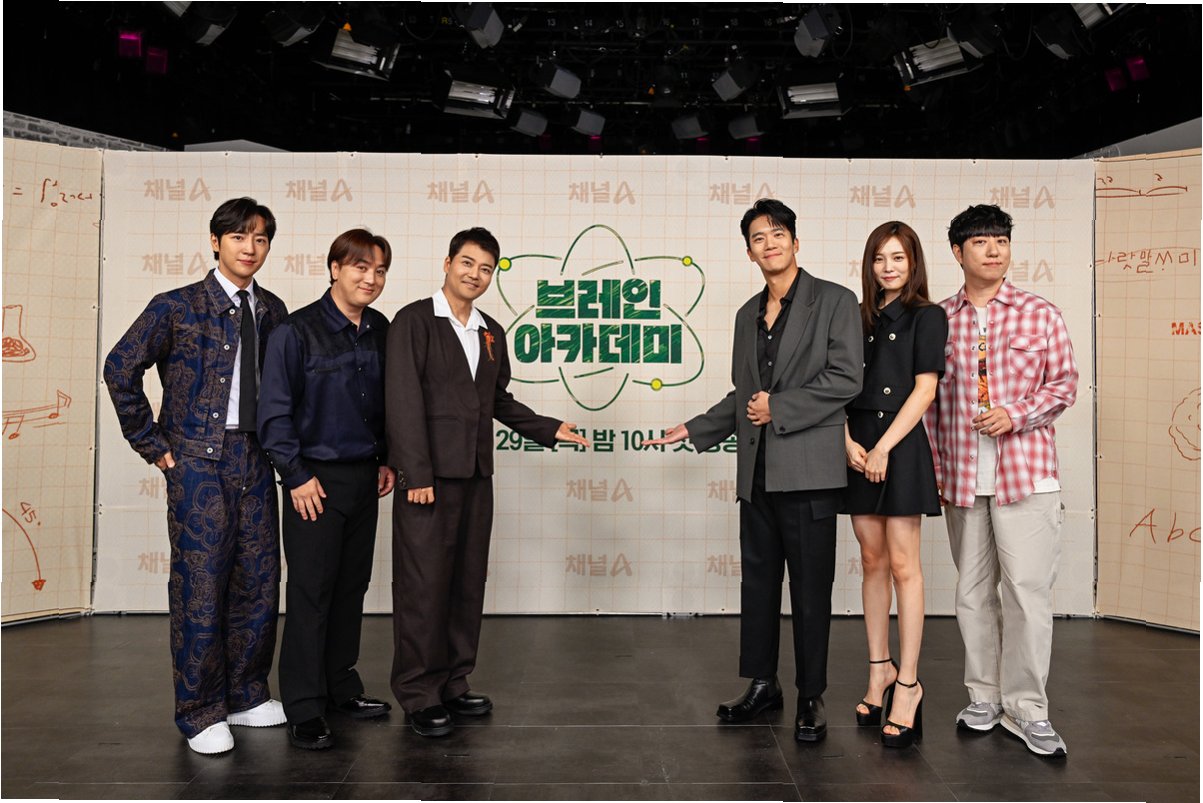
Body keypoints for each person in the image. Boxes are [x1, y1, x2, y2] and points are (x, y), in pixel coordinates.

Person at [646, 199, 862, 743]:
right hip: (757, 473)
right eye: (759, 238)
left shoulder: (835, 300)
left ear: (795, 241)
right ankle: (763, 684)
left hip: (810, 474)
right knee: (759, 585)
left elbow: (846, 379)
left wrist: (780, 407)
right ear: (749, 252)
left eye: (778, 233)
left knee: (811, 590)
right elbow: (745, 395)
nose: (770, 243)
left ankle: (811, 695)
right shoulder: (747, 314)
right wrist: (694, 428)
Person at [385, 227, 591, 737]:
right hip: (428, 480)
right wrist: (416, 473)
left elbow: (496, 399)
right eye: (467, 263)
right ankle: (418, 692)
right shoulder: (414, 320)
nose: (475, 275)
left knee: (466, 581)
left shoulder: (490, 330)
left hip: (477, 475)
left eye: (485, 269)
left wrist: (548, 428)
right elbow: (402, 400)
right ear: (447, 263)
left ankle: (454, 682)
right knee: (423, 586)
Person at [103, 197, 288, 755]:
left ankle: (246, 693)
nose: (250, 248)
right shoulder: (176, 306)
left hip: (256, 457)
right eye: (239, 237)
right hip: (197, 463)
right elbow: (120, 367)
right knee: (200, 586)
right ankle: (199, 710)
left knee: (259, 581)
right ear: (215, 242)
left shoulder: (272, 309)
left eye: (260, 239)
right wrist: (153, 444)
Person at [925, 204, 1078, 758]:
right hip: (963, 479)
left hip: (1027, 477)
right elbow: (927, 404)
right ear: (958, 252)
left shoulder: (1041, 314)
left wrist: (1015, 414)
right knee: (971, 595)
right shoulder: (937, 319)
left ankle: (1028, 709)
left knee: (1027, 596)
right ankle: (984, 698)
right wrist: (934, 471)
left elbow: (1064, 385)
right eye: (981, 241)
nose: (994, 250)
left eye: (1001, 241)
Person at [258, 229, 397, 750]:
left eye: (380, 270)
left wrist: (387, 458)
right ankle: (303, 704)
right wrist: (295, 476)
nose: (371, 278)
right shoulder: (295, 332)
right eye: (360, 267)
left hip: (366, 476)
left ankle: (341, 687)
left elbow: (389, 403)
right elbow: (274, 413)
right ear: (335, 268)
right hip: (314, 479)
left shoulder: (381, 329)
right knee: (311, 592)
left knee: (350, 587)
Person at [844, 221, 947, 748]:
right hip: (856, 442)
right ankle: (878, 669)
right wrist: (845, 439)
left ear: (914, 263)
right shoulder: (855, 316)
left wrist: (884, 446)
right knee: (871, 559)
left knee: (905, 565)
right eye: (880, 258)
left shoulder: (928, 316)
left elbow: (925, 389)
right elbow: (834, 384)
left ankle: (908, 684)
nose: (888, 267)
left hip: (899, 443)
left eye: (899, 258)